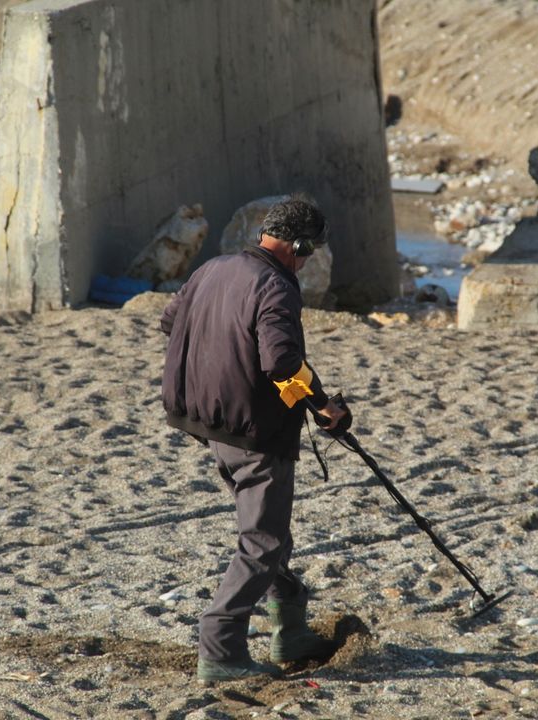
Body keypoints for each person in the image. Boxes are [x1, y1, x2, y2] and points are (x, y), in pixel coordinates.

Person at [160, 194, 350, 683]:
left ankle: (291, 630)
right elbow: (282, 363)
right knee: (262, 541)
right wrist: (324, 406)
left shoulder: (212, 269)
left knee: (267, 532)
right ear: (298, 244)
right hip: (256, 434)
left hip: (210, 425)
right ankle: (221, 648)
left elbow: (171, 321)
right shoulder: (276, 285)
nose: (307, 262)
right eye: (308, 252)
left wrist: (221, 358)